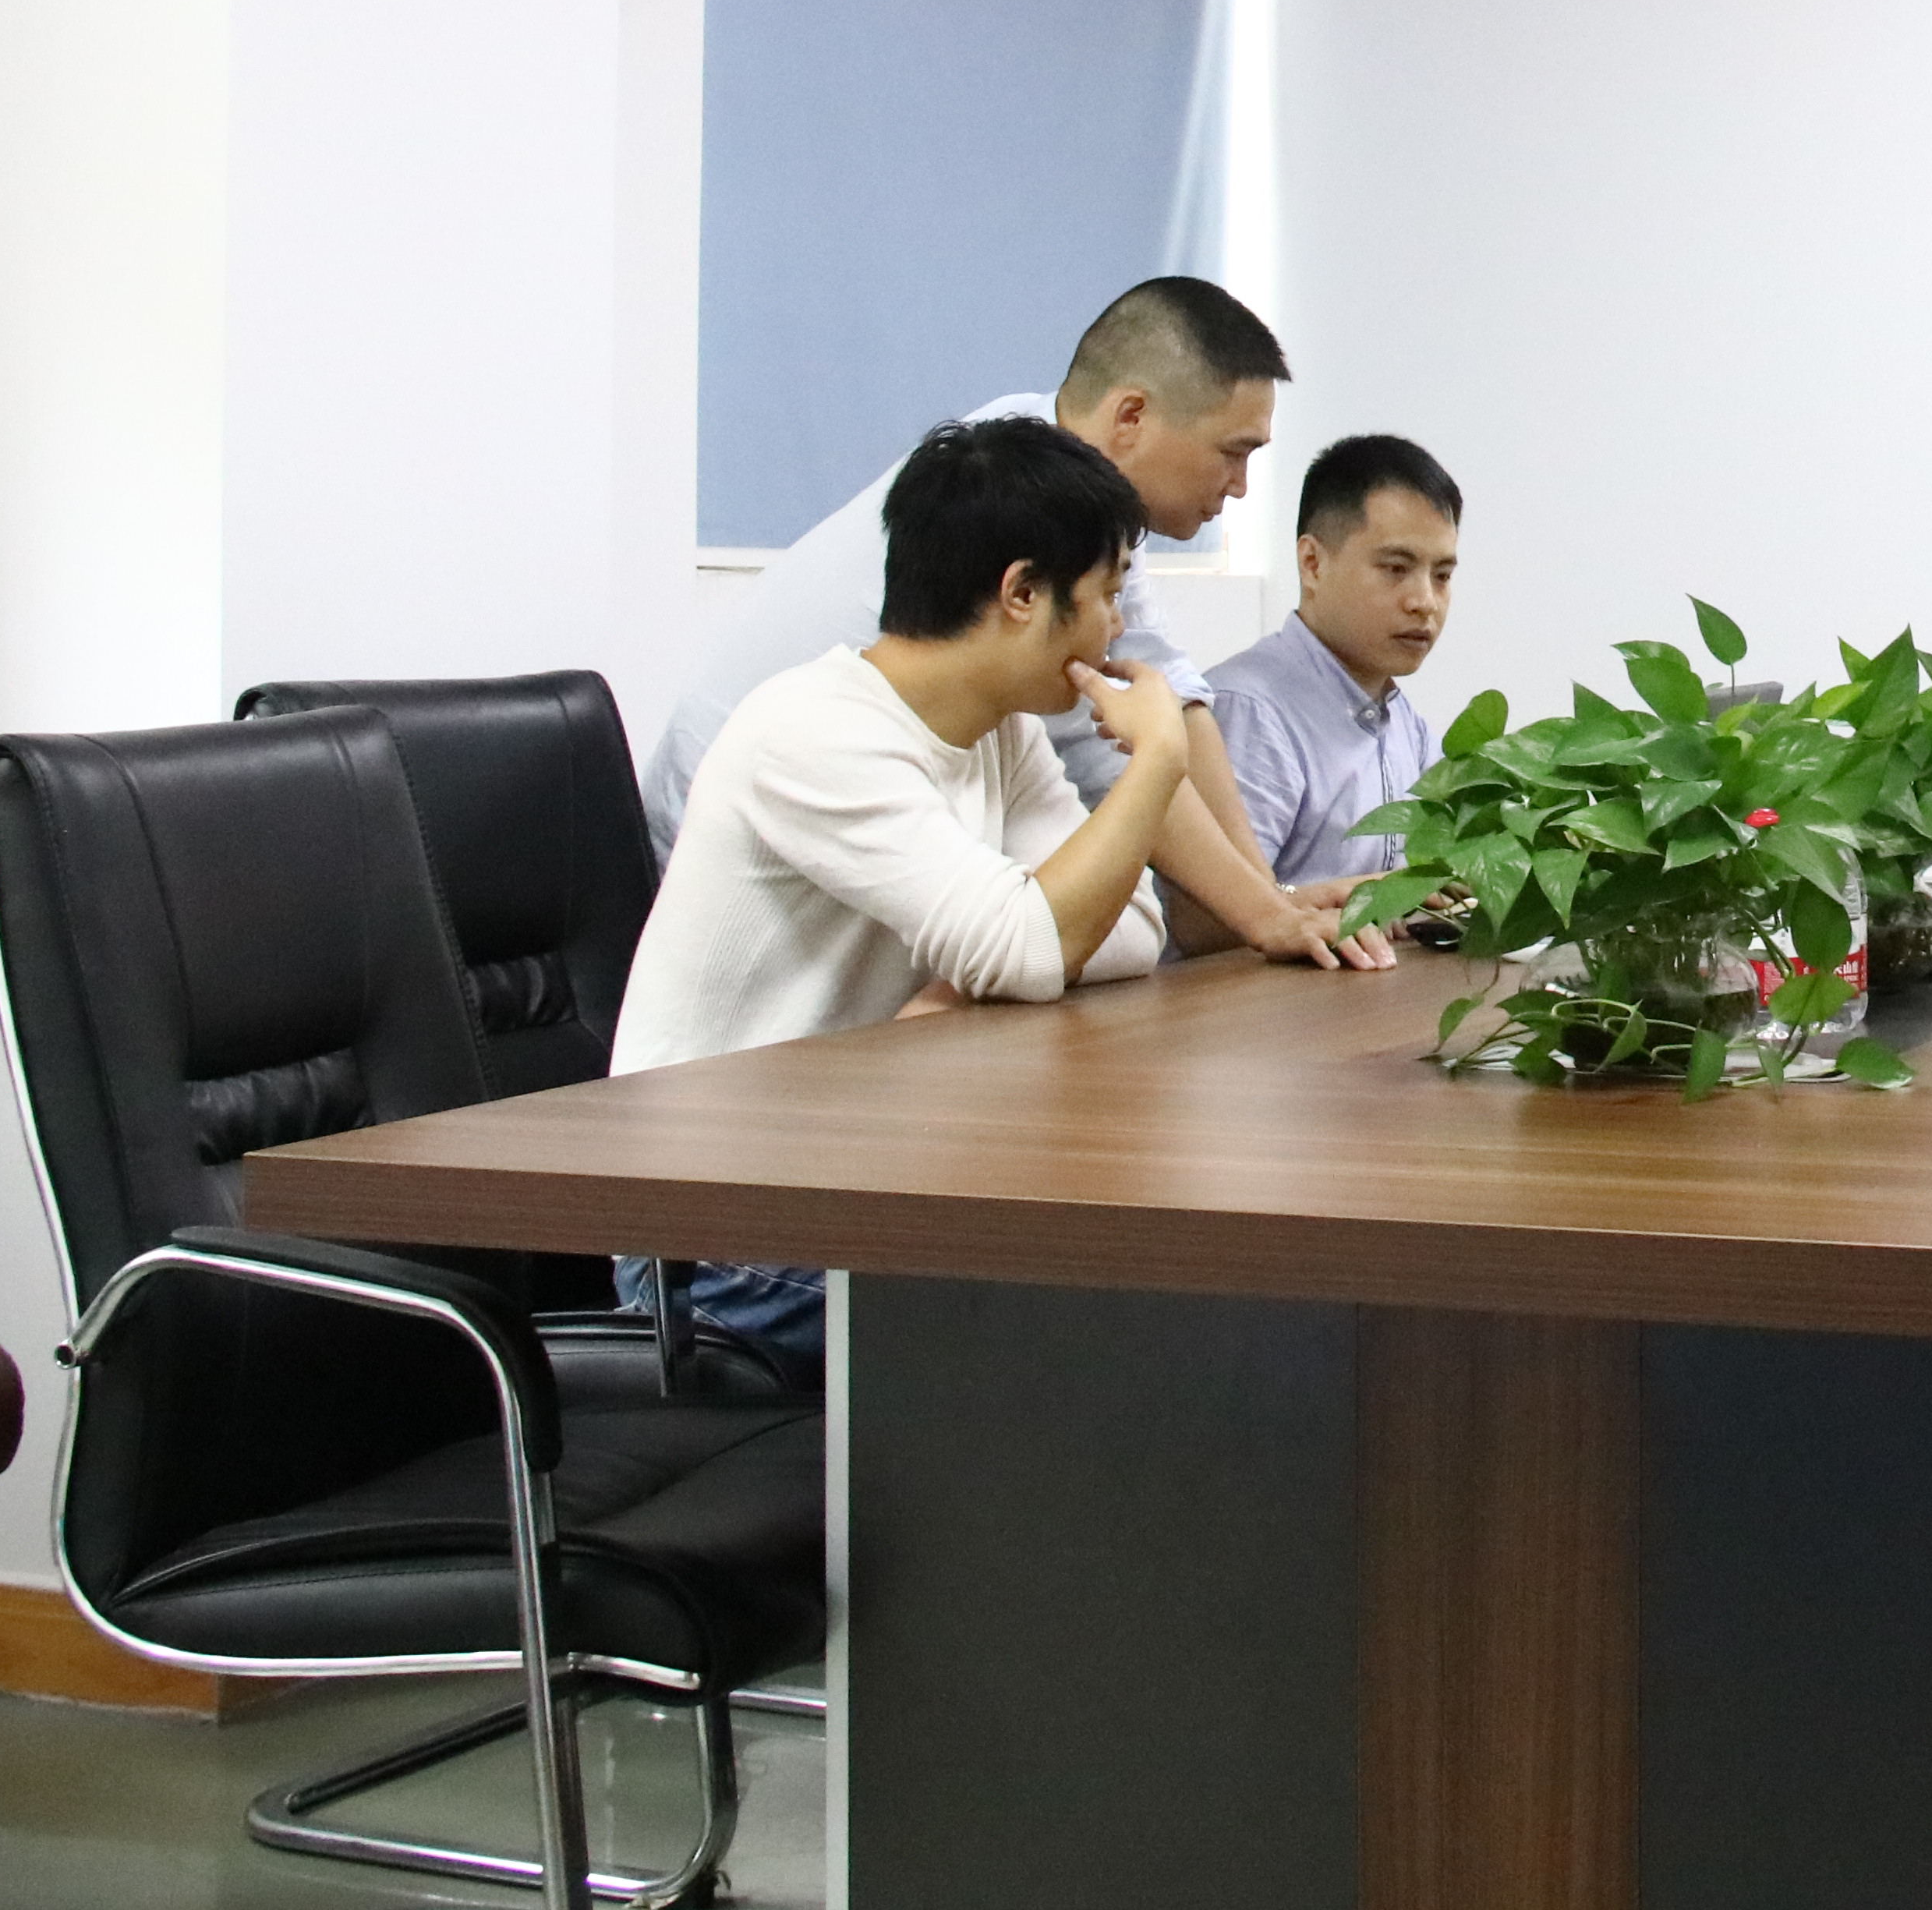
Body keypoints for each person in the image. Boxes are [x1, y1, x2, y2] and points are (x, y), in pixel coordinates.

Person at [611, 416, 1189, 1385]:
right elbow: (1034, 944)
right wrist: (1159, 760)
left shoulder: (998, 731)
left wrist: (979, 976)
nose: (1117, 628)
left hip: (853, 1182)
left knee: (1117, 1285)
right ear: (1022, 594)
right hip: (705, 1242)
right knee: (1085, 1324)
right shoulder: (816, 732)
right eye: (1107, 594)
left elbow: (1130, 928)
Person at [646, 276, 1384, 970]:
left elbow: (1164, 696)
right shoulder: (1018, 501)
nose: (1242, 487)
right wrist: (1264, 913)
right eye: (1233, 452)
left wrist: (1268, 901)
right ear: (1131, 417)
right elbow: (1120, 751)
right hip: (757, 845)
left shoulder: (1066, 508)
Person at [1205, 435, 1460, 899]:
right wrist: (1378, 894)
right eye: (1396, 569)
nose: (1424, 602)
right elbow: (1211, 920)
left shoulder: (1405, 722)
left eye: (1442, 576)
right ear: (1313, 564)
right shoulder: (1249, 710)